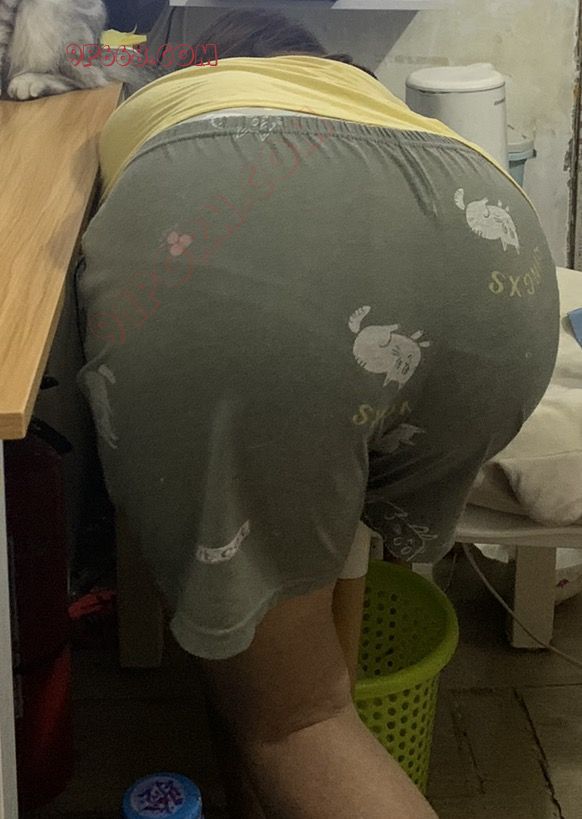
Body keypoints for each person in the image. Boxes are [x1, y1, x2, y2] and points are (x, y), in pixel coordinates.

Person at [74, 10, 559, 818]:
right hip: (497, 261)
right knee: (336, 565)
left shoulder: (168, 104)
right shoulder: (365, 95)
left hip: (243, 235)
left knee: (298, 719)